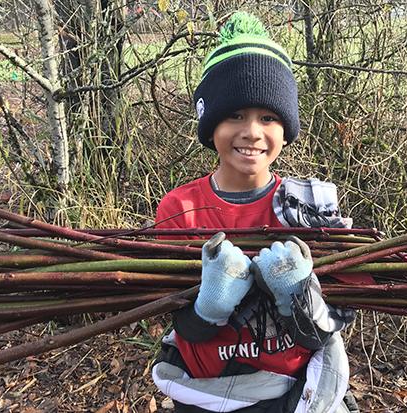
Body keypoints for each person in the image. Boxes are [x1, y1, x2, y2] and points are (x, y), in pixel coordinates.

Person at [151, 12, 360, 413]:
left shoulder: (310, 208)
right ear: (209, 124)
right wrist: (208, 306)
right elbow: (180, 325)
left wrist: (298, 294)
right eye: (235, 115)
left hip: (290, 397)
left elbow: (326, 329)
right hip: (204, 396)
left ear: (286, 129)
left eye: (268, 117)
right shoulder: (180, 210)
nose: (251, 131)